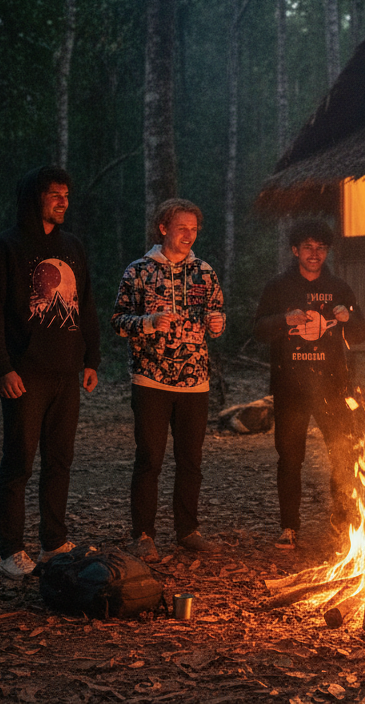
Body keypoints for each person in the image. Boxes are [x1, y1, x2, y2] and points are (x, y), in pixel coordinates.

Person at [0, 165, 101, 580]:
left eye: (66, 195)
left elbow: (85, 304)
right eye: (54, 195)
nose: (63, 202)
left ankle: (53, 541)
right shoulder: (4, 248)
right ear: (35, 198)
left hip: (66, 372)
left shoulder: (73, 246)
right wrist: (3, 368)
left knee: (60, 461)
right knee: (19, 462)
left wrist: (91, 359)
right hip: (25, 374)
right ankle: (11, 550)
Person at [111, 198, 225, 559]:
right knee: (150, 459)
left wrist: (217, 324)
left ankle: (187, 530)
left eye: (194, 229)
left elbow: (216, 316)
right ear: (163, 228)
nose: (189, 235)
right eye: (181, 228)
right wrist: (147, 322)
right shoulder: (139, 271)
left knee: (191, 460)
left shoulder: (205, 272)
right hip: (151, 380)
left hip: (195, 381)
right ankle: (143, 534)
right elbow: (118, 322)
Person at [253, 219, 365, 549]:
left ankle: (342, 523)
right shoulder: (278, 287)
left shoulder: (339, 287)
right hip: (290, 386)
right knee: (290, 458)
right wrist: (283, 320)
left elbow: (360, 333)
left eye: (321, 248)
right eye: (308, 247)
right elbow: (258, 329)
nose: (315, 254)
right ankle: (289, 527)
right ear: (295, 250)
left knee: (342, 454)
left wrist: (348, 318)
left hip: (332, 386)